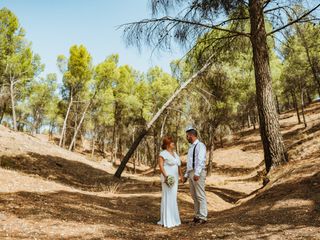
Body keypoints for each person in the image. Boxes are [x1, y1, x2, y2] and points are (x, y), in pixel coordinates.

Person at [183, 127, 208, 224]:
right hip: (191, 173)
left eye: (187, 135)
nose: (187, 137)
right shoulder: (191, 148)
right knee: (194, 195)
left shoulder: (200, 145)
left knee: (200, 195)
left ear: (192, 135)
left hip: (198, 172)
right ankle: (197, 216)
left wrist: (197, 173)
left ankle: (203, 217)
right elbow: (189, 163)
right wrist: (186, 175)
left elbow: (200, 160)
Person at [157, 136, 183, 228]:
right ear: (167, 144)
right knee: (168, 196)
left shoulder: (175, 154)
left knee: (173, 197)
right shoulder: (163, 153)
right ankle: (167, 220)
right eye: (172, 143)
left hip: (175, 178)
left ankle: (174, 219)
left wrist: (181, 175)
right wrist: (166, 177)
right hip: (167, 177)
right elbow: (161, 166)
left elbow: (179, 165)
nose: (174, 144)